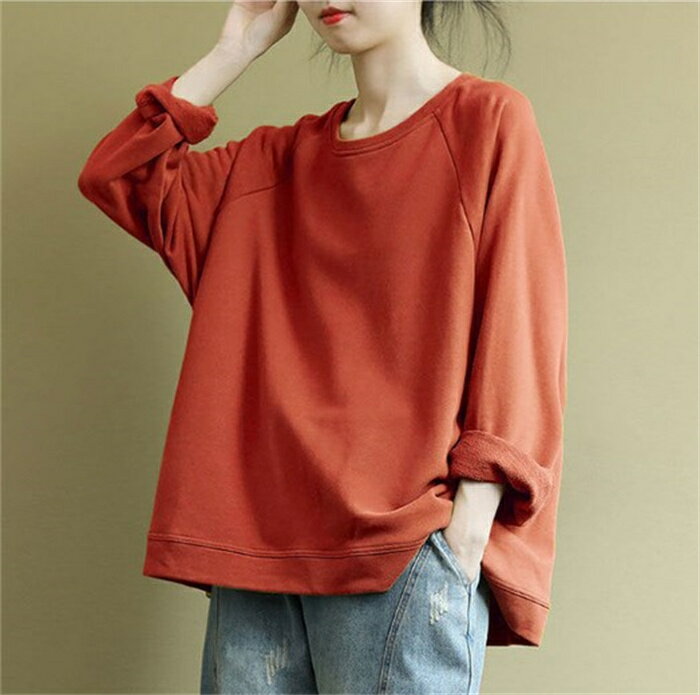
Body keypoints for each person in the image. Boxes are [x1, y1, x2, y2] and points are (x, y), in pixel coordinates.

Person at [77, 0, 568, 692]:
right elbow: (117, 176)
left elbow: (521, 329)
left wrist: (467, 532)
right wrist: (235, 50)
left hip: (402, 552)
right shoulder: (271, 164)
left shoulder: (486, 121)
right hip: (256, 555)